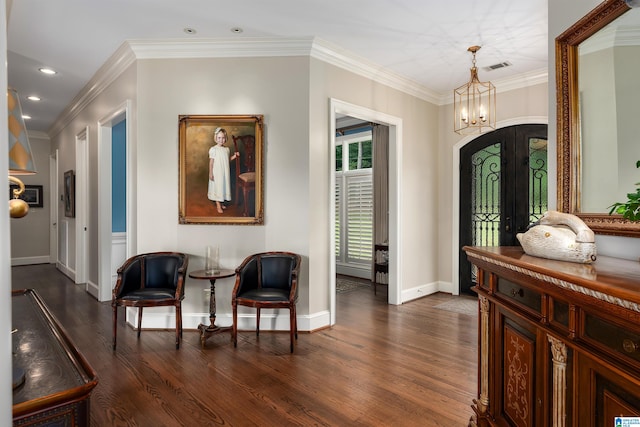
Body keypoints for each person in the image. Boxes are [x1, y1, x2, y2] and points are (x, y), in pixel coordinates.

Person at [208, 127, 239, 213]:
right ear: (215, 138)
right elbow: (211, 162)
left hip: (224, 172)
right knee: (218, 187)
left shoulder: (226, 149)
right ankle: (218, 204)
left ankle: (221, 203)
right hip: (217, 172)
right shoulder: (213, 149)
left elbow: (227, 160)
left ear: (225, 138)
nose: (221, 140)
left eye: (223, 138)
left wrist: (234, 156)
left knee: (222, 186)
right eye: (219, 138)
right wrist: (211, 173)